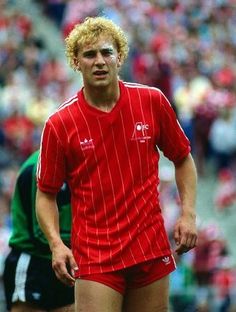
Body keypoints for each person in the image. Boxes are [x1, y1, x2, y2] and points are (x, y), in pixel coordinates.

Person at [36, 16, 198, 312]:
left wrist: (188, 213)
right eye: (89, 54)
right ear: (76, 61)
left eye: (106, 52)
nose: (99, 61)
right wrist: (57, 244)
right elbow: (45, 194)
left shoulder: (152, 101)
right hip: (96, 255)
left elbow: (183, 158)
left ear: (119, 57)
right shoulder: (59, 124)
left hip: (149, 248)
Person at [3, 150, 74, 312]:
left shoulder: (79, 163)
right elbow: (37, 233)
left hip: (68, 259)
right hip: (33, 261)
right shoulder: (36, 167)